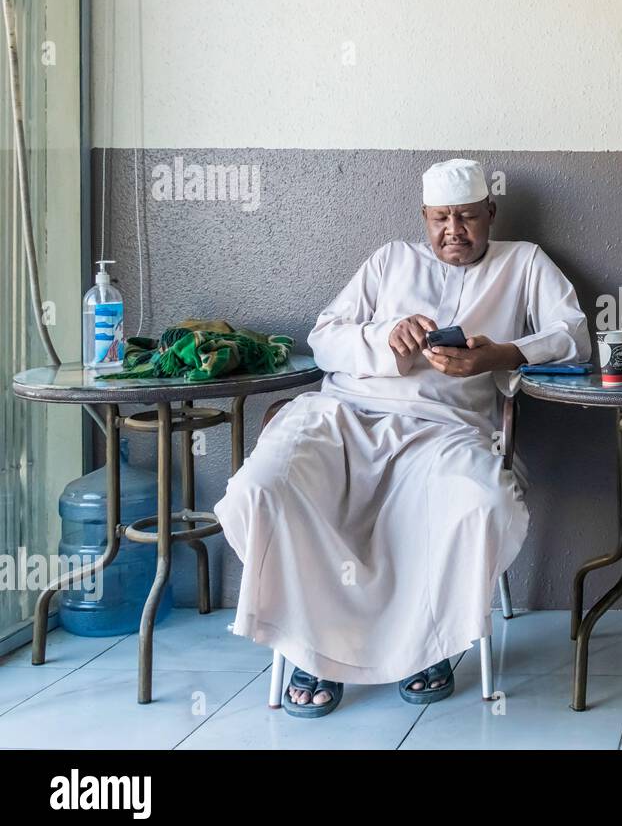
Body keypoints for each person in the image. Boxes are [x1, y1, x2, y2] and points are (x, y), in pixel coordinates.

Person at [216, 158, 590, 717]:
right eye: (440, 219)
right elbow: (324, 337)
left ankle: (430, 643)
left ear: (491, 213)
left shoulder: (524, 263)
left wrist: (502, 355)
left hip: (447, 430)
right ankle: (309, 646)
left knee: (480, 502)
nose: (453, 232)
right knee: (262, 490)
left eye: (466, 217)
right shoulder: (391, 259)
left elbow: (574, 336)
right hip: (342, 415)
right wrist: (383, 336)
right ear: (424, 217)